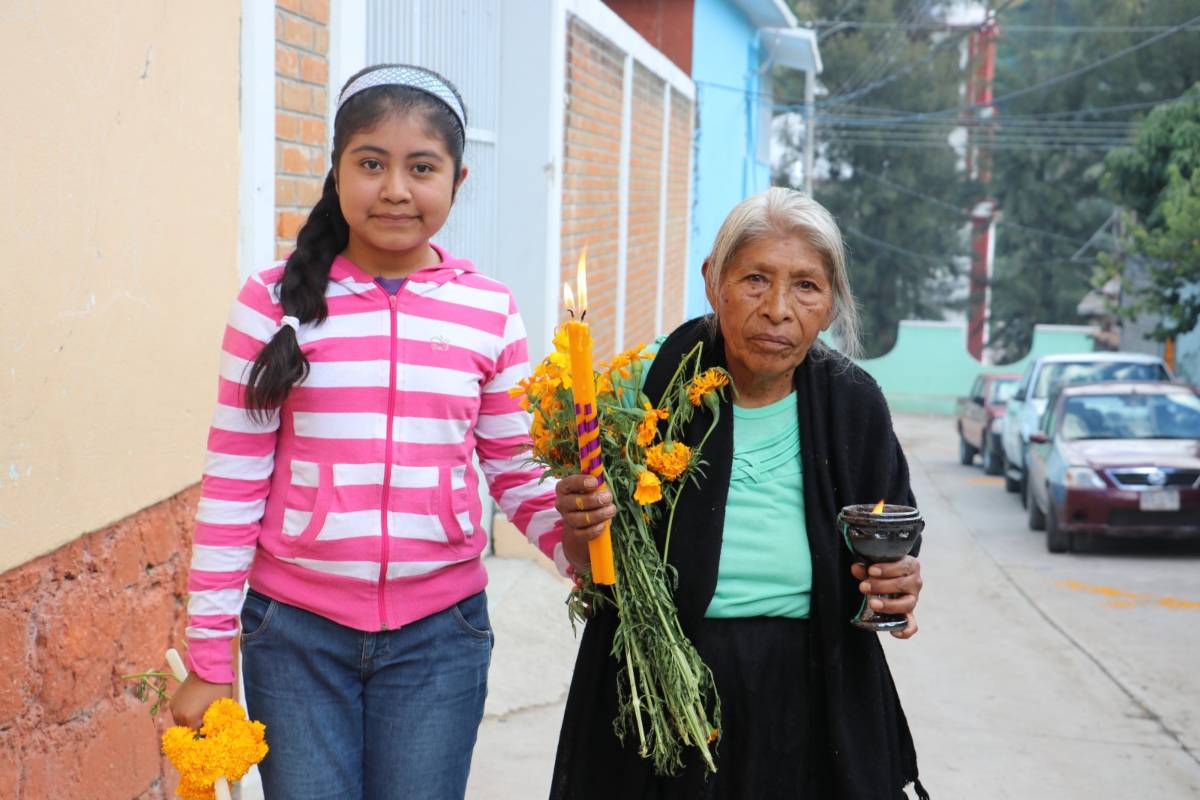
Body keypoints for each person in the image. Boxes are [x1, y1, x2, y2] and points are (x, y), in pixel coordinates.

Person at [169, 64, 562, 799]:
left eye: (422, 168)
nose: (395, 189)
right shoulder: (270, 301)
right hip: (294, 635)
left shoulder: (488, 310)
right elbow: (233, 482)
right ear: (338, 169)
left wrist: (593, 559)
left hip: (441, 637)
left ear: (458, 178)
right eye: (371, 164)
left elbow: (516, 469)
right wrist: (210, 657)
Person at [550, 188, 928, 799]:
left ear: (831, 304)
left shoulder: (854, 405)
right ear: (713, 281)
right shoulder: (643, 389)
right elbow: (591, 567)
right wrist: (581, 524)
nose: (778, 310)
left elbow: (894, 543)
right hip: (657, 686)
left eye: (806, 287)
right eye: (755, 279)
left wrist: (899, 582)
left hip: (809, 690)